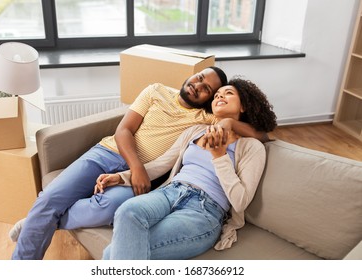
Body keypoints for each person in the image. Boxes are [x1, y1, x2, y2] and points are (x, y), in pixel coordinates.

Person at [11, 67, 266, 260]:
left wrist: (230, 123)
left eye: (208, 89)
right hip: (108, 154)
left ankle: (39, 221)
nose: (198, 86)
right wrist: (133, 169)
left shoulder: (207, 120)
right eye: (200, 78)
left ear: (208, 101)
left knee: (110, 206)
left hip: (154, 180)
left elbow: (262, 134)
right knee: (49, 201)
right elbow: (124, 131)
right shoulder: (157, 91)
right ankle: (37, 226)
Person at [99, 77, 277, 259]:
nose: (220, 96)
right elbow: (162, 164)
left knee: (111, 254)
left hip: (204, 210)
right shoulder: (196, 131)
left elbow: (240, 201)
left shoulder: (252, 147)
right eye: (216, 95)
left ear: (243, 106)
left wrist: (220, 156)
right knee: (127, 211)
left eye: (228, 93)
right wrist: (122, 177)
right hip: (169, 193)